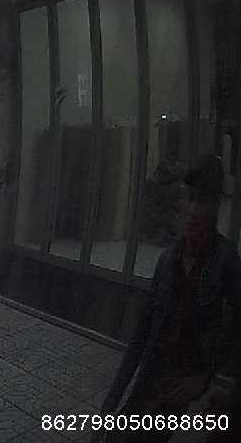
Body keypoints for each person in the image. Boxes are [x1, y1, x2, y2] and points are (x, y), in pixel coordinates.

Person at [99, 154, 241, 443]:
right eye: (190, 198)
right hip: (153, 374)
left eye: (203, 201)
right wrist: (110, 405)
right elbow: (142, 335)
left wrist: (203, 378)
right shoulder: (167, 260)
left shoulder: (226, 261)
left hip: (182, 384)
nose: (194, 210)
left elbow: (235, 330)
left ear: (216, 206)